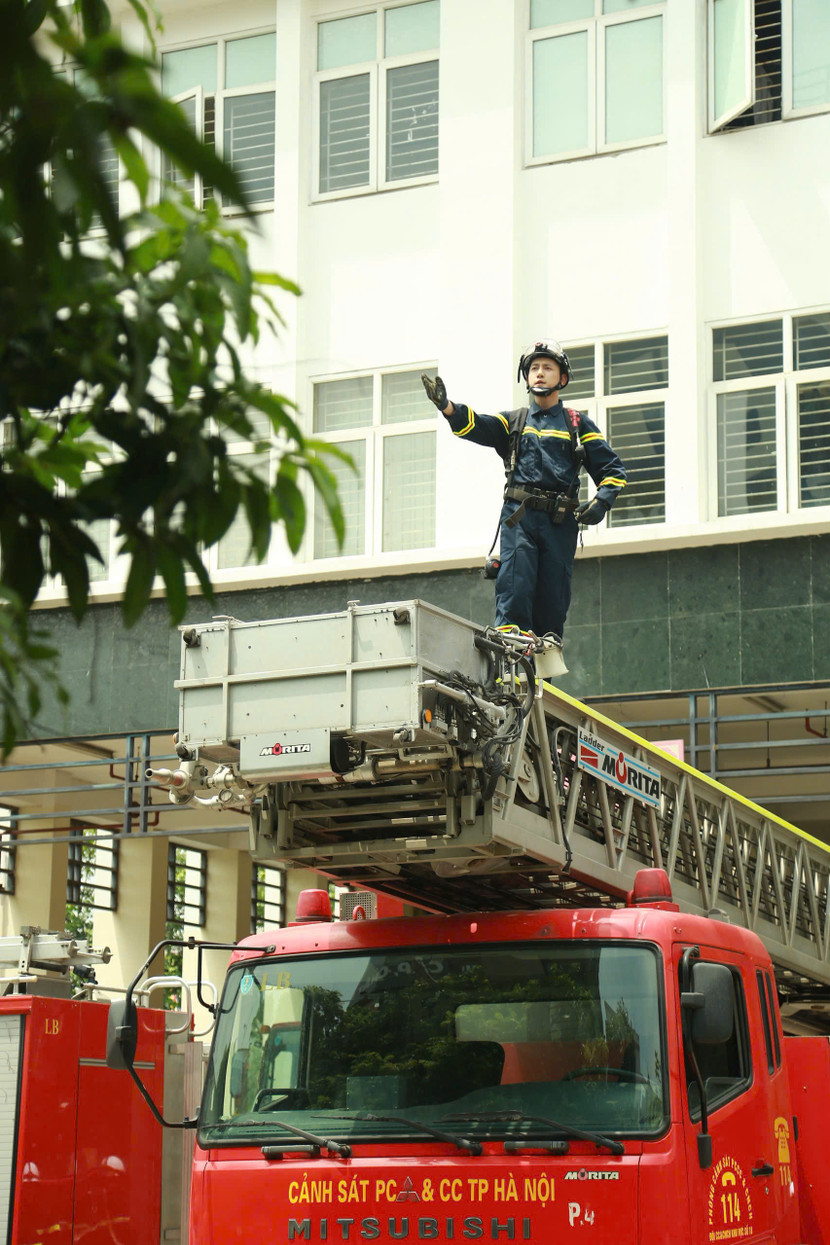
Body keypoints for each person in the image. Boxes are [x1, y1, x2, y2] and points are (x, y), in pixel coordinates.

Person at [422, 340, 626, 644]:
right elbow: (476, 425)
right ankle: (509, 648)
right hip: (520, 518)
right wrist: (447, 407)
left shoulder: (577, 424)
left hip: (560, 523)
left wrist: (601, 502)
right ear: (526, 377)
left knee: (553, 600)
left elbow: (613, 470)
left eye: (547, 367)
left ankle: (546, 656)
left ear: (563, 377)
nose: (539, 373)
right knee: (515, 585)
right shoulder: (514, 421)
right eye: (534, 368)